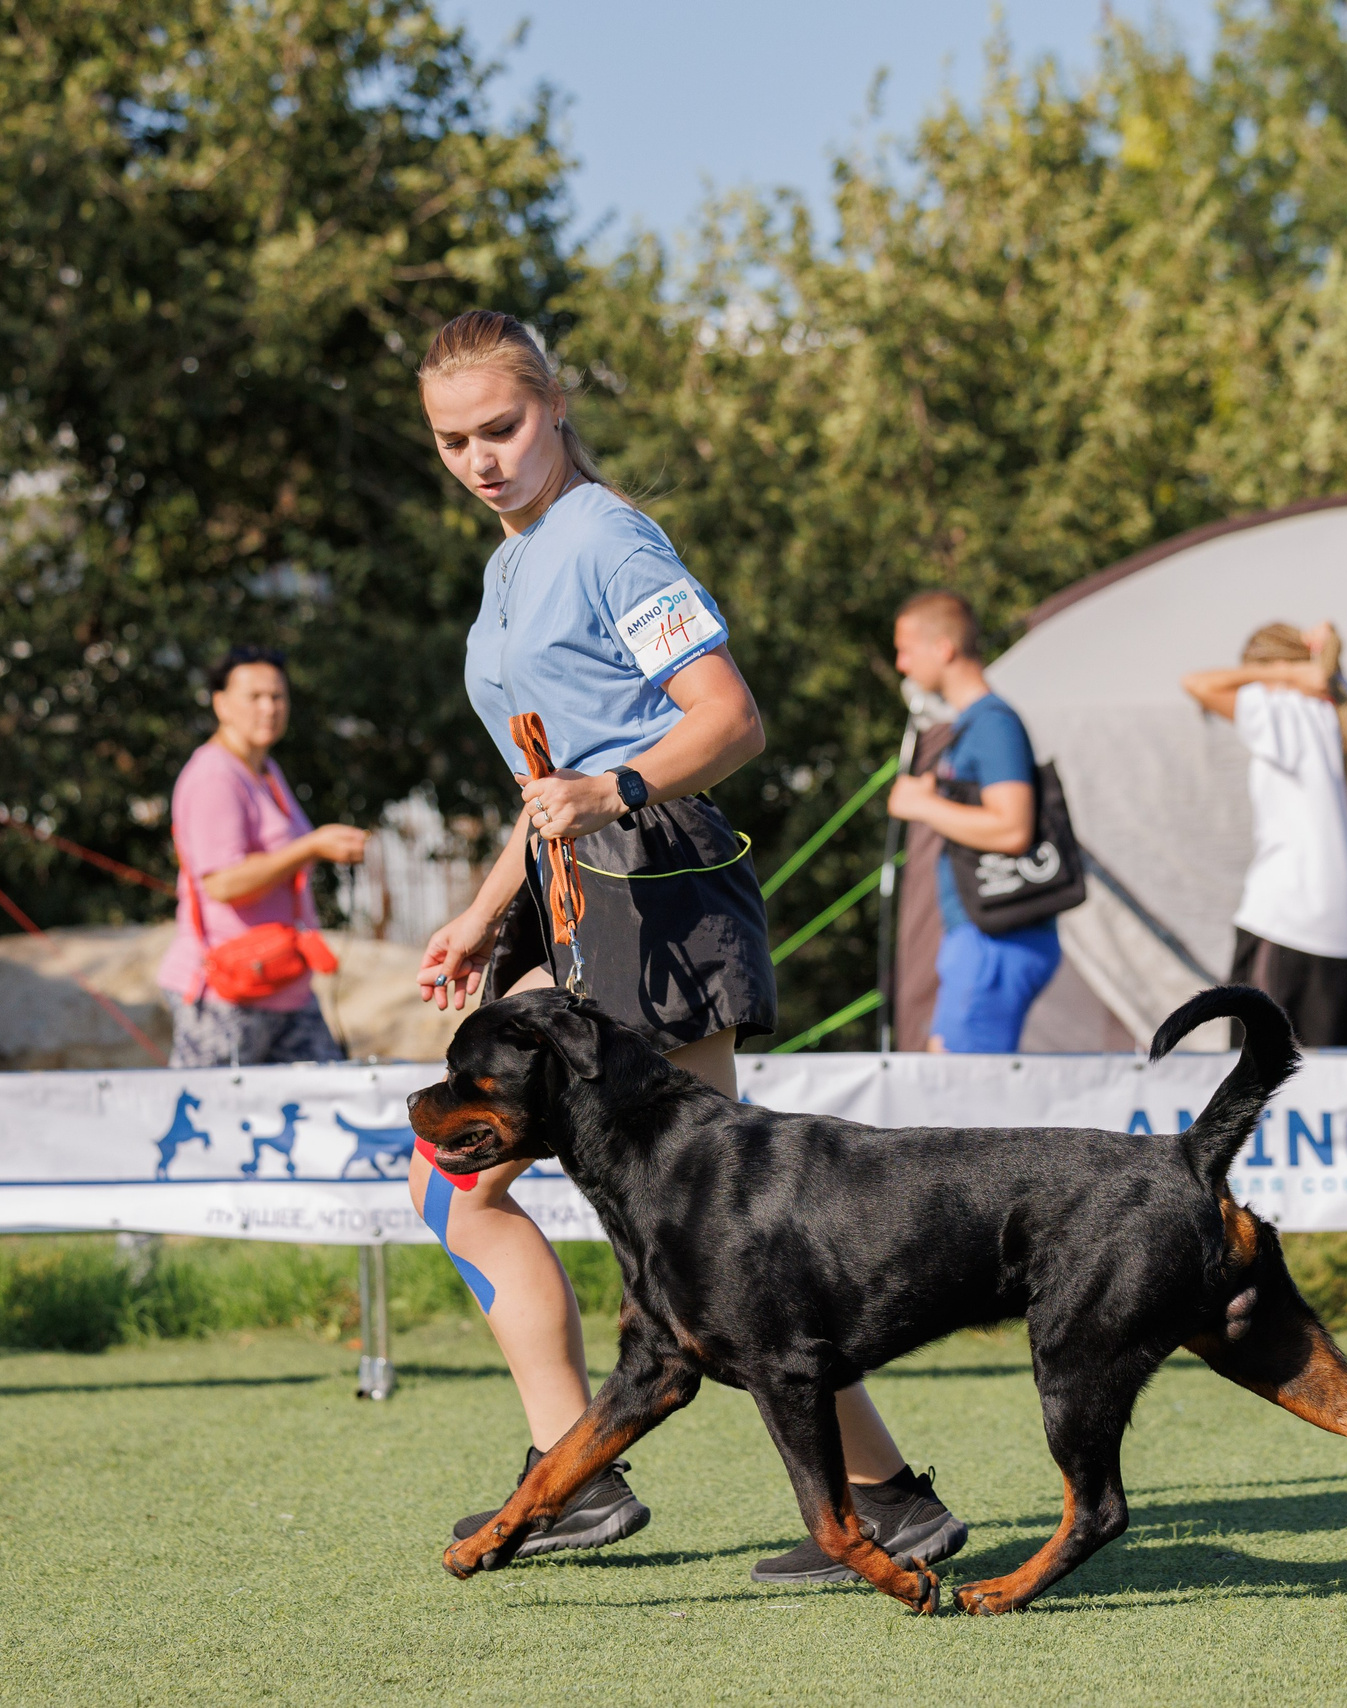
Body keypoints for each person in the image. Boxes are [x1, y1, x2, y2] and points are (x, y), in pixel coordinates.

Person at [409, 310, 966, 1584]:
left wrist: (615, 794)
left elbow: (728, 716)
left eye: (501, 427)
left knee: (701, 1233)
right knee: (671, 1229)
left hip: (655, 891)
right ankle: (833, 1496)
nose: (482, 459)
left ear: (551, 406)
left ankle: (611, 1476)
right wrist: (487, 909)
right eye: (454, 441)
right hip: (577, 898)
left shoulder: (607, 536)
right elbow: (545, 779)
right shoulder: (511, 565)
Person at [154, 647, 370, 1068]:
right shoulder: (215, 774)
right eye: (254, 697)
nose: (269, 708)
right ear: (220, 703)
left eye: (278, 696)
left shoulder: (265, 769)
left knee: (328, 1105)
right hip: (226, 990)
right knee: (212, 1123)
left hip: (284, 982)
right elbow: (223, 883)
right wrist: (310, 847)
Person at [1179, 620, 1347, 1047]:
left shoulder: (1284, 708)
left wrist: (1280, 674)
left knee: (1255, 1096)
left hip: (1287, 925)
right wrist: (1320, 657)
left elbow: (1196, 683)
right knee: (1335, 1095)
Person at [885, 591, 1061, 1053]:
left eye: (906, 649)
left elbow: (1012, 829)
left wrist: (922, 807)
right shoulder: (971, 725)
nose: (901, 663)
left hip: (996, 940)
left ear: (943, 648)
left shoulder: (992, 723)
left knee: (964, 1105)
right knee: (950, 1083)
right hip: (979, 939)